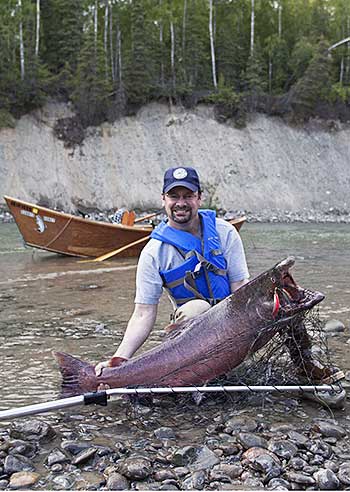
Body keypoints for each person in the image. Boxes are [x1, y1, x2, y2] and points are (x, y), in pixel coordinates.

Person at [95, 166, 250, 375]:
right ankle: (195, 373)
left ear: (199, 198)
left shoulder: (226, 233)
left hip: (231, 323)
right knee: (197, 309)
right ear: (163, 200)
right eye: (173, 196)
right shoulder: (153, 253)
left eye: (188, 196)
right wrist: (118, 360)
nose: (181, 203)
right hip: (188, 336)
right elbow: (143, 313)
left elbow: (241, 288)